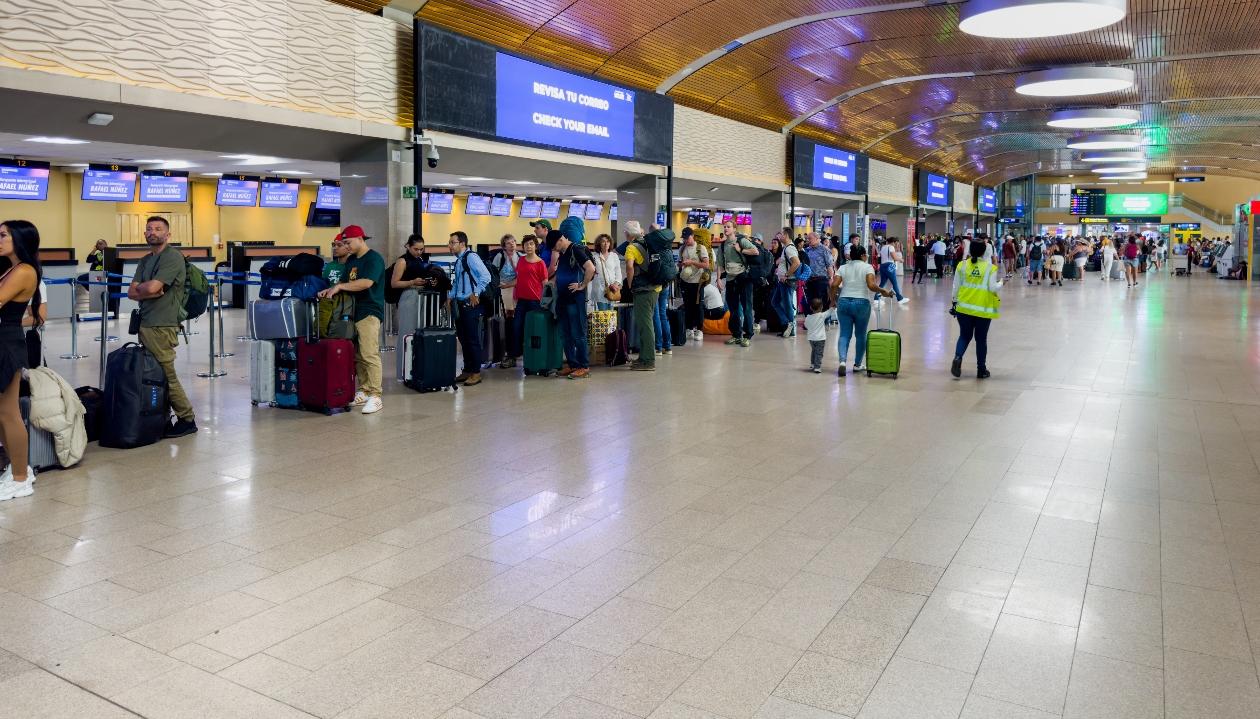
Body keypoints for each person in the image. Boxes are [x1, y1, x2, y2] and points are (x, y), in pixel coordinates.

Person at [127, 217, 196, 437]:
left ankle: (187, 418)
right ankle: (162, 416)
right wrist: (148, 291)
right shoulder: (145, 260)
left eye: (158, 229)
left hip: (163, 324)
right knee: (154, 373)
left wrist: (147, 289)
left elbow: (154, 286)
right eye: (149, 229)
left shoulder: (172, 257)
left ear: (168, 235)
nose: (152, 232)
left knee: (166, 373)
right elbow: (132, 291)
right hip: (146, 323)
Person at [317, 225, 386, 412]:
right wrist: (332, 288)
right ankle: (363, 390)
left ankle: (376, 395)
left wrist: (340, 287)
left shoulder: (374, 259)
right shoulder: (352, 260)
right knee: (357, 354)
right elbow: (346, 281)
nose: (346, 246)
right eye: (343, 243)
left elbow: (365, 283)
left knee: (369, 352)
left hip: (369, 311)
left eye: (348, 242)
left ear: (360, 239)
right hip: (352, 312)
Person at [0, 220, 43, 499]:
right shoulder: (11, 268)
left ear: (19, 239)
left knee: (9, 412)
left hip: (6, 342)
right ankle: (17, 468)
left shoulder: (25, 271)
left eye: (3, 235)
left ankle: (20, 477)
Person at [830, 244, 894, 377]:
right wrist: (884, 291)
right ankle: (858, 364)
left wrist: (832, 300)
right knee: (860, 335)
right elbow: (871, 285)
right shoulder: (867, 267)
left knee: (844, 334)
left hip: (844, 301)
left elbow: (834, 285)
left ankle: (842, 362)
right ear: (863, 256)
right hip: (861, 303)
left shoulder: (843, 267)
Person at [950, 240, 1003, 380]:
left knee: (964, 336)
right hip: (982, 310)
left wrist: (954, 302)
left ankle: (957, 357)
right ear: (984, 252)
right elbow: (992, 288)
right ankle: (981, 370)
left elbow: (956, 286)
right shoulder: (990, 268)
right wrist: (1001, 283)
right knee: (981, 339)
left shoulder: (962, 265)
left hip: (963, 308)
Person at [444, 230, 490, 386]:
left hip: (471, 306)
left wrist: (476, 293)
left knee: (472, 339)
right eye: (449, 243)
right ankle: (468, 369)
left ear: (462, 244)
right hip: (460, 305)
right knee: (463, 339)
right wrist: (450, 296)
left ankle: (476, 372)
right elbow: (457, 282)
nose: (450, 246)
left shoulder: (471, 257)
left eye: (452, 242)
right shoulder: (459, 260)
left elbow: (486, 276)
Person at [550, 225, 596, 379]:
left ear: (561, 239)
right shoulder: (563, 254)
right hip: (563, 299)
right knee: (565, 334)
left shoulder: (576, 250)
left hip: (575, 299)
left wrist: (582, 285)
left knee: (578, 333)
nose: (554, 250)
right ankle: (572, 364)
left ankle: (583, 366)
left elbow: (590, 268)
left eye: (555, 246)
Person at [500, 235, 546, 369]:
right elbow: (519, 279)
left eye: (531, 244)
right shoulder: (521, 261)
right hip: (521, 301)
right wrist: (508, 286)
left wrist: (545, 303)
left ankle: (535, 357)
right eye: (526, 244)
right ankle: (513, 356)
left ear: (535, 246)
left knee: (534, 330)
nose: (529, 246)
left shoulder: (540, 263)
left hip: (535, 302)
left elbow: (545, 284)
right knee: (516, 328)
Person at [623, 220, 660, 370]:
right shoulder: (647, 242)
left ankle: (649, 361)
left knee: (645, 325)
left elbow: (630, 267)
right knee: (645, 324)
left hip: (643, 290)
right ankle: (643, 357)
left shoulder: (631, 247)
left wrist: (630, 284)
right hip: (654, 288)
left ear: (627, 233)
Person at [719, 220, 758, 347]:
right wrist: (719, 279)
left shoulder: (741, 240)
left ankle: (747, 335)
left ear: (734, 229)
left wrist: (741, 250)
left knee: (746, 307)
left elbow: (755, 251)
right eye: (724, 227)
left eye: (728, 227)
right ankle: (736, 335)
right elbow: (720, 263)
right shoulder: (723, 244)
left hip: (744, 278)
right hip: (730, 279)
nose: (726, 229)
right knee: (733, 309)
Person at [677, 227, 711, 340]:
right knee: (687, 306)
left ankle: (699, 330)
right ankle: (689, 328)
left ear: (693, 236)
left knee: (698, 306)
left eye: (687, 238)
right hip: (686, 281)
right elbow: (679, 263)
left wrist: (692, 262)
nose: (686, 240)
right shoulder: (682, 249)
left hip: (698, 283)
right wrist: (682, 265)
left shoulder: (700, 248)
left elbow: (706, 265)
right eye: (684, 238)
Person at [771, 229, 800, 337]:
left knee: (787, 305)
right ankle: (787, 324)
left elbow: (796, 263)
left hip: (788, 281)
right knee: (775, 302)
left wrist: (786, 274)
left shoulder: (789, 248)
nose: (779, 235)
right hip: (783, 281)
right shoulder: (786, 248)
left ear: (787, 235)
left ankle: (790, 327)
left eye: (781, 234)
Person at [388, 234, 433, 300]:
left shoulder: (420, 259)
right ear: (408, 246)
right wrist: (413, 282)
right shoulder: (402, 261)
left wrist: (428, 281)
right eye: (416, 249)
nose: (419, 252)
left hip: (419, 296)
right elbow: (394, 283)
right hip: (405, 298)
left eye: (421, 249)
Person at [802, 232, 834, 315]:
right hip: (809, 280)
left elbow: (829, 265)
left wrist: (831, 279)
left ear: (817, 239)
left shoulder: (824, 250)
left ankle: (823, 320)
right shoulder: (807, 250)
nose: (808, 240)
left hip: (821, 279)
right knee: (810, 300)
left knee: (821, 301)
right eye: (807, 239)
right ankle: (812, 321)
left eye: (810, 239)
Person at [589, 233, 623, 312]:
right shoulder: (594, 256)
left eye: (608, 241)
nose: (606, 243)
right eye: (603, 241)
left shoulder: (614, 256)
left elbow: (618, 273)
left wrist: (616, 284)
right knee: (603, 315)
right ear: (599, 244)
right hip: (599, 289)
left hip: (612, 289)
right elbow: (590, 271)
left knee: (611, 315)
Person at [491, 234, 521, 318]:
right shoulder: (499, 256)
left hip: (516, 286)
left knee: (517, 311)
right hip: (503, 286)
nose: (512, 244)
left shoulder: (521, 256)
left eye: (513, 241)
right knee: (507, 312)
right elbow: (493, 272)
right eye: (508, 243)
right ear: (504, 246)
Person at [803, 297, 834, 374]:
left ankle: (813, 364)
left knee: (814, 351)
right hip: (820, 339)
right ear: (821, 307)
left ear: (810, 307)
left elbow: (806, 326)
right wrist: (833, 306)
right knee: (819, 353)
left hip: (811, 339)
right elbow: (829, 311)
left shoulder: (808, 317)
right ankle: (817, 367)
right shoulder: (821, 315)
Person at [877, 237, 910, 304]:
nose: (896, 244)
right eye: (896, 243)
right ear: (894, 242)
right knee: (894, 283)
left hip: (882, 266)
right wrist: (901, 259)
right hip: (889, 265)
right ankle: (900, 299)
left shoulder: (883, 247)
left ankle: (876, 299)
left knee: (882, 283)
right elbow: (894, 257)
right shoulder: (891, 247)